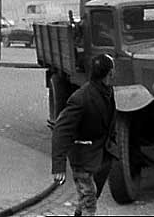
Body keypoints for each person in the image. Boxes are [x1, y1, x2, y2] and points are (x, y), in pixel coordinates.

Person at [51, 54, 118, 216]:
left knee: (90, 196)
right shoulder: (81, 98)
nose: (115, 74)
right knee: (89, 200)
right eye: (113, 71)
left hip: (101, 155)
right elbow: (61, 130)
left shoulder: (108, 91)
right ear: (108, 74)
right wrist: (58, 166)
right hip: (83, 157)